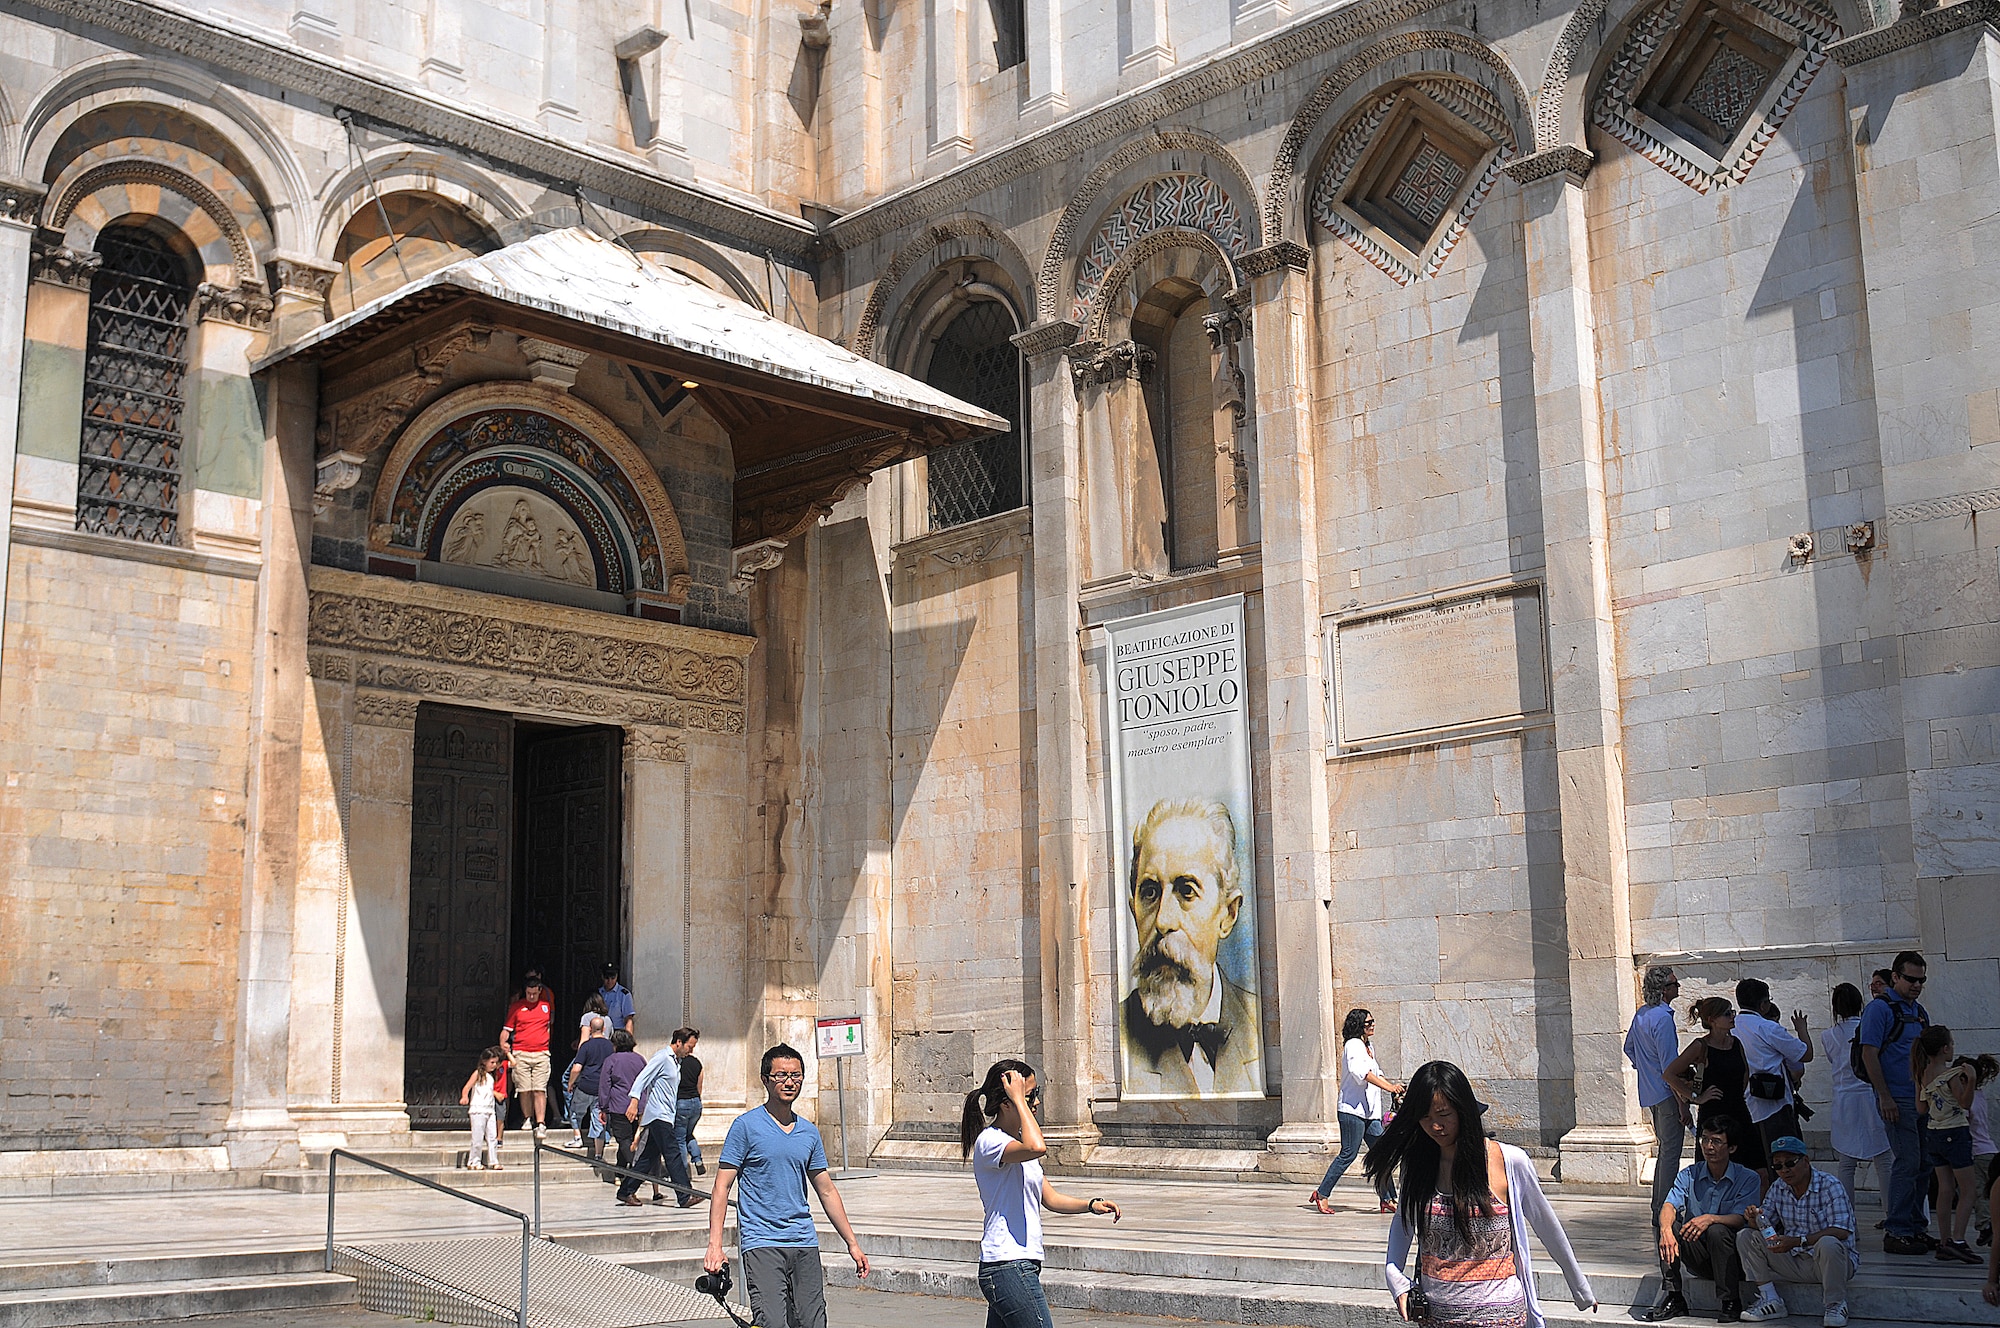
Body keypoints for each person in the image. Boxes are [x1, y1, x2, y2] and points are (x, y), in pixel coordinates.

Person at [1366, 1060, 1596, 1327]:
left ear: (1463, 1110)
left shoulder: (1509, 1160)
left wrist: (1580, 1288)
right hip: (1436, 1317)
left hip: (1499, 1316)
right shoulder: (1417, 1166)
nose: (1435, 1126)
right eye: (1426, 1117)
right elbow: (1402, 1226)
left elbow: (1546, 1225)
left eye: (1444, 1114)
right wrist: (1396, 1280)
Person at [703, 1044, 870, 1328]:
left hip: (804, 1241)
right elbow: (722, 1187)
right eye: (781, 1075)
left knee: (813, 1322)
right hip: (762, 1242)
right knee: (771, 1322)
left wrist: (852, 1244)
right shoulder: (745, 1127)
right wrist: (715, 1246)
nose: (789, 1082)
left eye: (796, 1075)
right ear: (765, 1079)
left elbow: (826, 1190)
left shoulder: (808, 1132)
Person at [960, 1059, 1123, 1327]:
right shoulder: (991, 1142)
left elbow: (1050, 1198)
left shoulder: (1018, 1145)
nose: (1036, 1102)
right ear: (1007, 1102)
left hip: (1019, 1264)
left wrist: (1091, 1204)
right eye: (1031, 1095)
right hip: (1007, 1265)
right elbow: (1038, 1147)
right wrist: (1018, 1098)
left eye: (1037, 1095)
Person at [1120, 799, 1263, 1098]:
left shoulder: (1262, 1024)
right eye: (1150, 892)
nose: (1163, 921)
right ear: (1134, 911)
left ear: (1228, 914)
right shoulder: (1114, 1035)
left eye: (1187, 891)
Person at [1646, 1116, 1761, 1322]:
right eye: (1705, 1139)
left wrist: (1710, 1218)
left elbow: (1740, 1219)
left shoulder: (1748, 1178)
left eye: (1716, 1141)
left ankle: (1731, 1301)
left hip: (1734, 1259)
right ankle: (1674, 1297)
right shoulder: (1689, 1174)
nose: (1708, 1146)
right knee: (1669, 1226)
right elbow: (1669, 1205)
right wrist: (1665, 1231)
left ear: (1731, 1148)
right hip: (1699, 1254)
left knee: (1718, 1229)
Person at [1736, 1136, 1857, 1326]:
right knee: (1746, 1236)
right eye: (1778, 1166)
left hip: (1829, 1261)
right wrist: (1753, 1219)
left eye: (1790, 1163)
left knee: (1828, 1242)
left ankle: (1835, 1303)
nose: (1785, 1170)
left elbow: (1842, 1230)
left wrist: (1799, 1240)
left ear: (1806, 1161)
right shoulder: (1778, 1187)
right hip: (1793, 1259)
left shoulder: (1830, 1185)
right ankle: (1770, 1298)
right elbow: (1764, 1223)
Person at [1857, 950, 1931, 1254]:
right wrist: (1884, 1096)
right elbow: (1868, 1053)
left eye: (1921, 980)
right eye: (1911, 979)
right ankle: (1897, 1230)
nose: (1916, 985)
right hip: (1896, 1098)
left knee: (1924, 1164)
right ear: (1896, 977)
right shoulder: (1879, 1010)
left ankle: (1914, 1227)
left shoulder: (1919, 1011)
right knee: (1907, 1162)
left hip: (1920, 1097)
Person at [1311, 1008, 1403, 1215]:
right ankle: (1322, 1194)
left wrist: (1394, 1087)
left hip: (1370, 1113)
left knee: (1382, 1155)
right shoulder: (1353, 1045)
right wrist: (1389, 1088)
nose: (1372, 1025)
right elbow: (1361, 1074)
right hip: (1352, 1110)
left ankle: (1387, 1198)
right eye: (1368, 1022)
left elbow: (1376, 1073)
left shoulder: (1368, 1046)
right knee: (1348, 1154)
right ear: (1358, 1025)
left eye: (1372, 1021)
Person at [1670, 998, 1770, 1180]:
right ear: (1712, 1019)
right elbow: (1670, 1075)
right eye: (1727, 1014)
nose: (1732, 1017)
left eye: (1732, 1012)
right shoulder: (1701, 1046)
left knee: (1758, 1170)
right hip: (1713, 1113)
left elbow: (1745, 1073)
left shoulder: (1736, 1043)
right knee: (1715, 1172)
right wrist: (1695, 1097)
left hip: (1739, 1110)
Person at [1914, 1027, 1981, 1264]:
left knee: (1945, 1188)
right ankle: (1958, 1240)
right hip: (1955, 1133)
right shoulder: (1951, 1074)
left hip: (1934, 1134)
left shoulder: (1923, 1074)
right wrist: (1971, 1079)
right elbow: (1965, 1103)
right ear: (1945, 1049)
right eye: (1951, 1044)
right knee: (1969, 1190)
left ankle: (1944, 1242)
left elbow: (1921, 1109)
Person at [1629, 967, 1690, 1227]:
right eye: (1674, 984)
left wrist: (1645, 1069)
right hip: (1666, 1094)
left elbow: (1629, 1048)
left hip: (1652, 1092)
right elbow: (1670, 1067)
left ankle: (1659, 1207)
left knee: (1666, 1151)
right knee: (1670, 1153)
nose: (1678, 987)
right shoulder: (1663, 1019)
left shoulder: (1642, 1014)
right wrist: (1682, 1103)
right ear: (1664, 989)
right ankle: (1664, 1210)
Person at [1820, 985, 1890, 1205]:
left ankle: (1847, 1220)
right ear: (1861, 1004)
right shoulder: (1869, 1028)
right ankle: (1891, 1218)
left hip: (1845, 1101)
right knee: (1884, 1161)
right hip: (1870, 1096)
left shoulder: (1828, 1035)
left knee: (1846, 1163)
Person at [1734, 980, 1811, 1167]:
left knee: (1755, 1166)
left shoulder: (1730, 1026)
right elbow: (1805, 1055)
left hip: (1742, 1106)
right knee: (1784, 1164)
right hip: (1774, 1106)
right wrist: (1802, 1029)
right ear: (1763, 1005)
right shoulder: (1767, 1027)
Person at [620, 1031, 693, 1208]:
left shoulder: (676, 1063)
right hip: (658, 1115)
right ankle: (684, 1195)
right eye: (689, 1046)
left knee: (647, 1158)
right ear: (678, 1042)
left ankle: (626, 1191)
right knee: (672, 1153)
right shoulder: (662, 1057)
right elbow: (643, 1077)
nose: (690, 1051)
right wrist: (634, 1101)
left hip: (667, 1115)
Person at [501, 970, 555, 1140]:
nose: (531, 996)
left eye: (534, 993)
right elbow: (507, 1029)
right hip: (521, 1052)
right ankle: (527, 1118)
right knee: (524, 1089)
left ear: (540, 990)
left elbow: (549, 1026)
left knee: (539, 1089)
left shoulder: (546, 1006)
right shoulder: (516, 1007)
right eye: (529, 993)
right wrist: (503, 1043)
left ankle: (540, 1123)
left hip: (541, 1053)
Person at [597, 1029, 647, 1185]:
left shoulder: (611, 1060)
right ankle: (620, 1171)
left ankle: (636, 1169)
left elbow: (605, 1085)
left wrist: (603, 1108)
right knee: (629, 1140)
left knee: (624, 1140)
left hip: (619, 1105)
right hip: (638, 1105)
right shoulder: (640, 1059)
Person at [567, 1015, 613, 1158]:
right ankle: (598, 1154)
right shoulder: (611, 1046)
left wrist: (570, 1083)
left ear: (591, 1029)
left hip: (586, 1086)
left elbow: (577, 1068)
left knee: (575, 1112)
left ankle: (577, 1138)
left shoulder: (586, 1045)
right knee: (598, 1120)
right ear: (604, 1029)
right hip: (602, 1089)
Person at [460, 1046, 505, 1171]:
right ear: (484, 1061)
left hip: (489, 1109)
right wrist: (464, 1096)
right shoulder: (478, 1074)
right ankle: (474, 1160)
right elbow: (467, 1087)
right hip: (478, 1109)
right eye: (491, 1062)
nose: (494, 1065)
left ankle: (493, 1160)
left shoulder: (490, 1077)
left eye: (495, 1063)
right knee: (477, 1137)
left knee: (492, 1136)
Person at [676, 1026, 707, 1177]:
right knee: (689, 1134)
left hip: (682, 1103)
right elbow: (699, 1086)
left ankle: (682, 1172)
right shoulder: (697, 1063)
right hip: (696, 1103)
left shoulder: (676, 1063)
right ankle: (698, 1159)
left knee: (680, 1139)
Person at [598, 962, 637, 1034]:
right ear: (602, 977)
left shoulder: (624, 995)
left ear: (617, 976)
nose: (610, 981)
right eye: (607, 978)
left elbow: (629, 1019)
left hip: (617, 1032)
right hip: (601, 1032)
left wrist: (628, 1040)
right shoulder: (598, 993)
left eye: (613, 978)